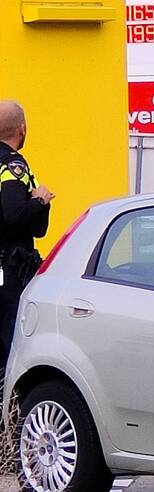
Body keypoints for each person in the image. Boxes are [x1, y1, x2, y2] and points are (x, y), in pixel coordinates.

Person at [0, 101, 53, 369]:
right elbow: (14, 213)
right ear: (21, 129)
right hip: (8, 268)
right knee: (8, 337)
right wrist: (40, 201)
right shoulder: (13, 165)